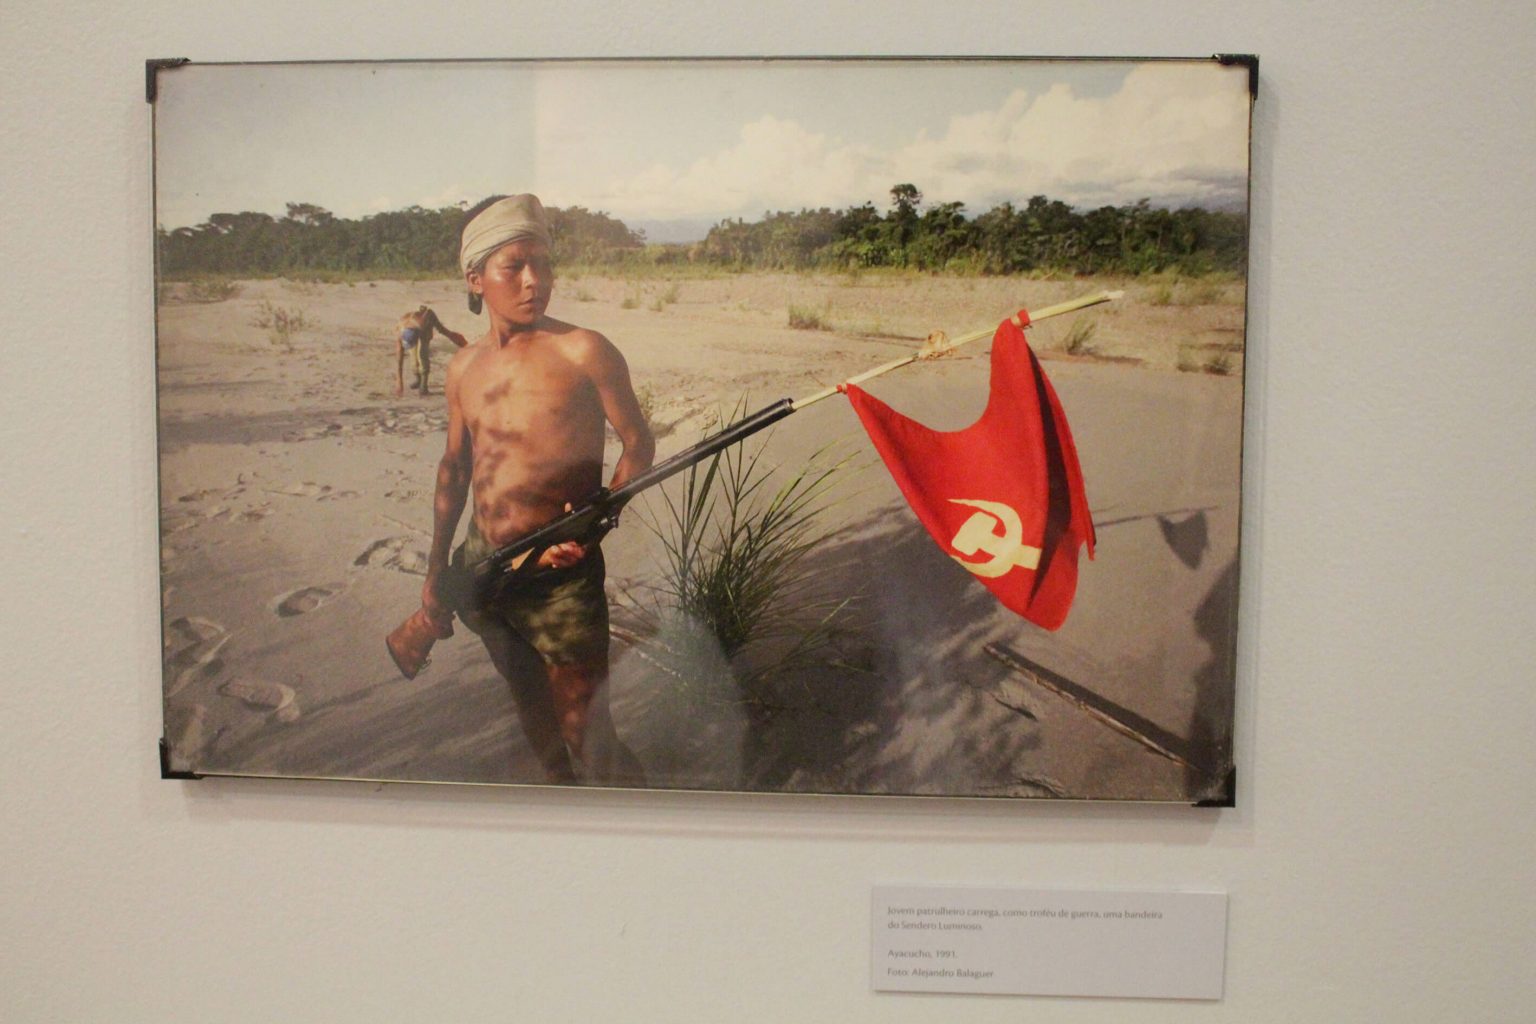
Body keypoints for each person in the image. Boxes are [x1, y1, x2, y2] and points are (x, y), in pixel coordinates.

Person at [417, 193, 655, 785]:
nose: (535, 281)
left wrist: (594, 526)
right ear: (475, 279)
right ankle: (560, 808)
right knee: (531, 709)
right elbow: (454, 470)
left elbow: (638, 444)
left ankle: (648, 828)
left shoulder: (583, 351)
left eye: (543, 264)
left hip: (560, 577)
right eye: (515, 267)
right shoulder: (463, 367)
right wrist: (437, 571)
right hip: (484, 567)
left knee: (588, 735)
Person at [396, 305, 469, 396]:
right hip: (416, 327)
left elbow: (432, 317)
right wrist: (399, 380)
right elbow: (399, 357)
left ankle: (423, 385)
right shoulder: (400, 331)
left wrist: (450, 335)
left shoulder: (422, 324)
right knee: (413, 357)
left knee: (422, 355)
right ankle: (418, 379)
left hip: (424, 327)